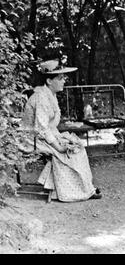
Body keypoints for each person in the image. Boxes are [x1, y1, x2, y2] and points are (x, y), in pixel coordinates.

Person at [22, 58, 102, 202]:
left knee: (77, 147)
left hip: (46, 135)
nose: (64, 81)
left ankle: (84, 188)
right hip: (32, 139)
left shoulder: (50, 95)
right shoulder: (41, 97)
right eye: (60, 78)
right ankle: (72, 192)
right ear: (49, 81)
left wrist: (61, 140)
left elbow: (50, 126)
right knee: (67, 152)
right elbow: (41, 128)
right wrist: (58, 146)